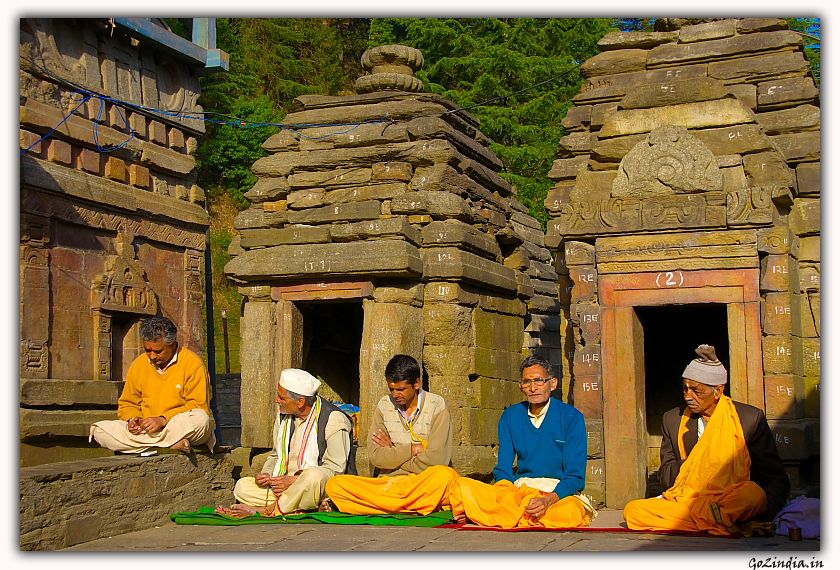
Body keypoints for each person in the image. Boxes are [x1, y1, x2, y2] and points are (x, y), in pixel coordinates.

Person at [623, 345, 790, 536]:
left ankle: (719, 518)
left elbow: (775, 479)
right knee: (633, 511)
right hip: (688, 500)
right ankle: (723, 522)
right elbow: (666, 477)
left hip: (731, 500)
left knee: (754, 495)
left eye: (696, 390)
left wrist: (763, 513)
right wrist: (699, 463)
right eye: (685, 388)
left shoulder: (749, 419)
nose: (688, 396)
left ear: (718, 391)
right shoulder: (673, 420)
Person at [447, 354, 594, 528]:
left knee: (567, 513)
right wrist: (506, 493)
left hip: (557, 493)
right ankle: (517, 515)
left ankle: (504, 516)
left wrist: (548, 500)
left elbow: (575, 476)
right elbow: (503, 469)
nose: (533, 388)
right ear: (521, 387)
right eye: (527, 382)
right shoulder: (510, 416)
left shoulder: (571, 417)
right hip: (521, 489)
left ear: (552, 384)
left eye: (539, 381)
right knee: (460, 486)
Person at [325, 354, 455, 515]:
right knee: (335, 484)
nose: (395, 394)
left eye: (400, 389)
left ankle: (379, 505)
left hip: (423, 483)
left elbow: (437, 459)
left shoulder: (438, 406)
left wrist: (394, 452)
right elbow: (376, 457)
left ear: (417, 384)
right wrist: (412, 450)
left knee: (444, 475)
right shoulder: (384, 405)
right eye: (391, 389)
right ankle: (408, 506)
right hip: (389, 483)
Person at [216, 368, 351, 517]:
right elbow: (275, 456)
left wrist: (294, 481)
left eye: (282, 398)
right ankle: (301, 508)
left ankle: (268, 510)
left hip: (312, 486)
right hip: (282, 487)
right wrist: (267, 475)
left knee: (314, 476)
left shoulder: (334, 419)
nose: (277, 400)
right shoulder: (283, 418)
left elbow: (336, 469)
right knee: (242, 487)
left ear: (300, 402)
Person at [90, 316, 215, 454]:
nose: (152, 356)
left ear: (173, 344)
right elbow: (127, 403)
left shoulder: (192, 364)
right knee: (99, 431)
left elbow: (198, 406)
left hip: (177, 427)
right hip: (146, 431)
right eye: (147, 350)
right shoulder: (138, 365)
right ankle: (168, 444)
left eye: (158, 351)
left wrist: (163, 420)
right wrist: (134, 419)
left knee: (201, 420)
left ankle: (152, 445)